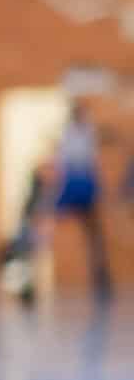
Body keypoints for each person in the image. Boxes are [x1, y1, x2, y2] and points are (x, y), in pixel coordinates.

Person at [50, 98, 111, 298]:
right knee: (52, 222)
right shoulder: (68, 134)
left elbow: (91, 161)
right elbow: (63, 162)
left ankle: (101, 278)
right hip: (73, 183)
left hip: (84, 183)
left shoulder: (87, 132)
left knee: (93, 233)